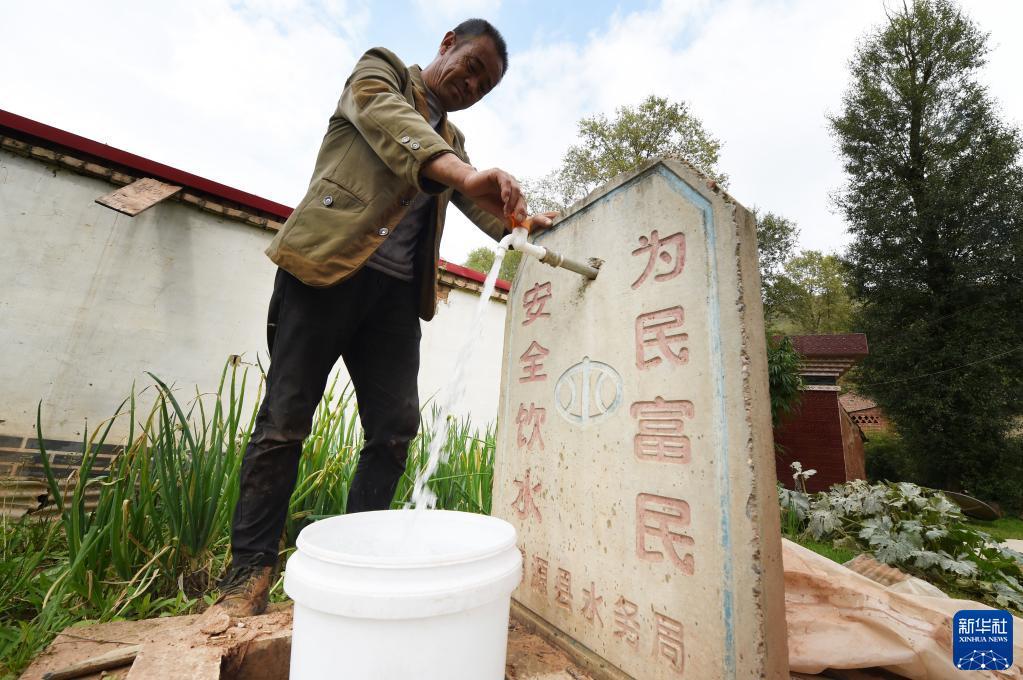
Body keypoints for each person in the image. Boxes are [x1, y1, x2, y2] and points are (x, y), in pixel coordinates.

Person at [208, 19, 556, 618]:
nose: (472, 84)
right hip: (324, 271)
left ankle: (356, 559)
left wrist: (525, 224)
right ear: (446, 43)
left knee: (394, 431)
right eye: (472, 66)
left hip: (395, 300)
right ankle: (248, 574)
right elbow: (396, 127)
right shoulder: (381, 72)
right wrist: (464, 173)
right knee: (285, 421)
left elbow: (477, 201)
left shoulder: (453, 141)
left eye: (485, 85)